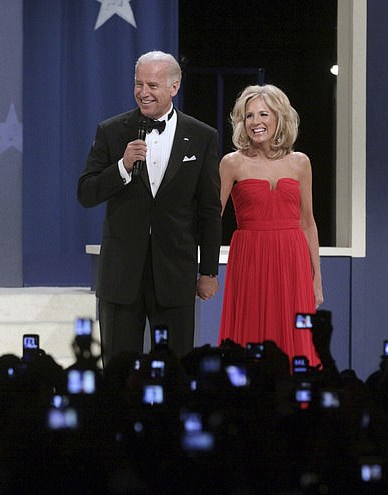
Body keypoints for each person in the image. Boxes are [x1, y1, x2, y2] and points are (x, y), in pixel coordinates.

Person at [77, 51, 221, 365]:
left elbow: (210, 210)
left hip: (175, 275)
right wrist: (122, 167)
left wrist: (208, 271)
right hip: (121, 276)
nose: (144, 92)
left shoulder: (202, 137)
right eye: (139, 84)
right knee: (118, 371)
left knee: (175, 371)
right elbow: (86, 193)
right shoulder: (111, 131)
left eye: (153, 85)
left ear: (174, 86)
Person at [218, 84, 323, 366]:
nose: (256, 122)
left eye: (263, 114)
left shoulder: (301, 163)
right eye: (249, 116)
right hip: (250, 259)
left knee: (294, 338)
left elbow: (308, 222)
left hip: (293, 262)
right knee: (250, 335)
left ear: (279, 118)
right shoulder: (232, 164)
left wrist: (316, 278)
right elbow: (212, 217)